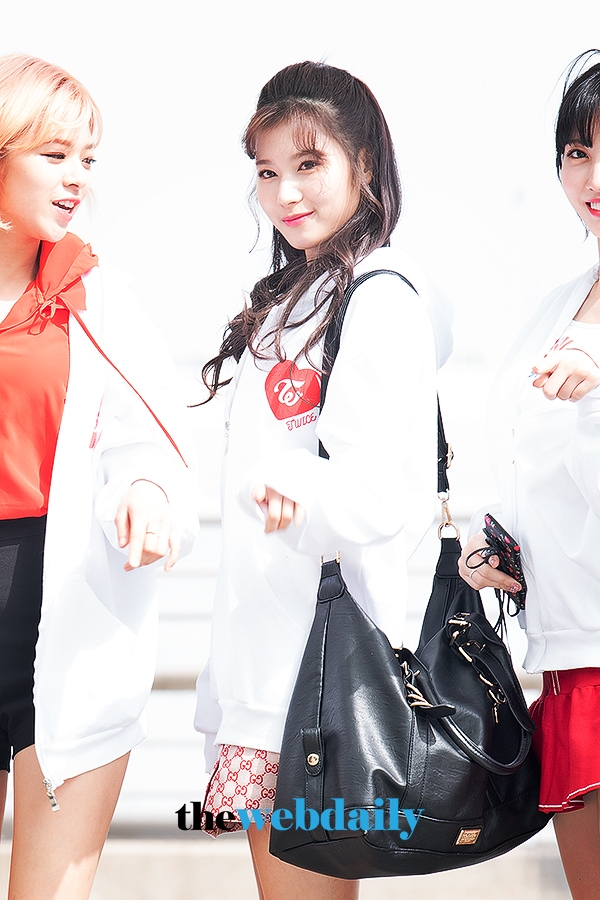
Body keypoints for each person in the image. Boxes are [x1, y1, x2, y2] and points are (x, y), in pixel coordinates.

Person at [195, 60, 451, 899]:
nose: (285, 193)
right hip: (265, 670)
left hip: (319, 680)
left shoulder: (380, 296)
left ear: (362, 163)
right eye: (267, 172)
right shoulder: (288, 300)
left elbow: (384, 493)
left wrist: (297, 492)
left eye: (309, 165)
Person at [0, 54, 197, 899]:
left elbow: (148, 436)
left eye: (88, 158)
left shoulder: (95, 293)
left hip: (69, 620)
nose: (78, 177)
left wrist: (147, 493)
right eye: (55, 155)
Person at [458, 51, 600, 900]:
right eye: (578, 153)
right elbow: (519, 457)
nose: (594, 178)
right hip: (570, 650)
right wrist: (490, 543)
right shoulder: (559, 303)